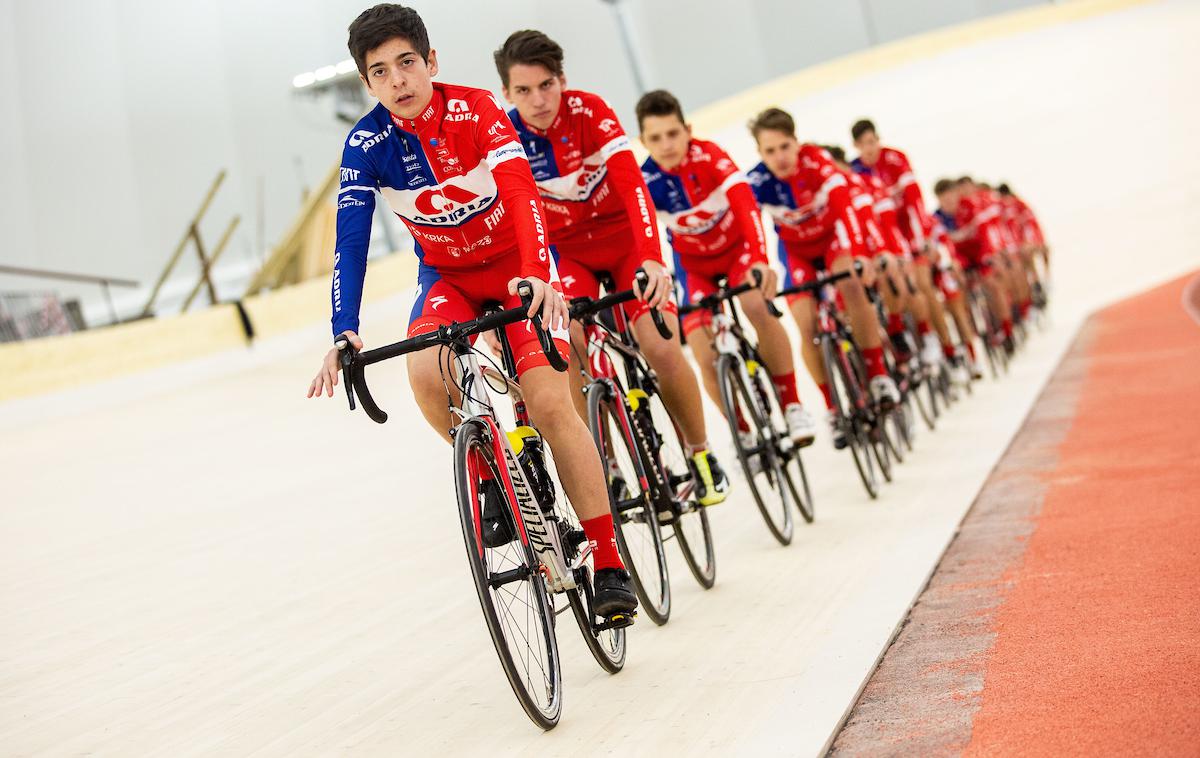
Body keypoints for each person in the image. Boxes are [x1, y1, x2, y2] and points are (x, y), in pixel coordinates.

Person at [306, 4, 635, 615]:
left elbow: (518, 192)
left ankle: (610, 561)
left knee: (548, 401)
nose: (398, 81)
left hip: (518, 268)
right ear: (366, 83)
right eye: (380, 72)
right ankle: (496, 485)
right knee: (426, 373)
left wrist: (539, 273)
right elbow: (349, 240)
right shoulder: (365, 144)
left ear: (431, 61)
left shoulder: (477, 108)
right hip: (448, 278)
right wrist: (343, 331)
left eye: (407, 63)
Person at [494, 30, 730, 506]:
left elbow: (633, 188)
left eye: (546, 86)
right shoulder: (508, 133)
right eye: (523, 91)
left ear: (562, 80)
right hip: (570, 255)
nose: (538, 100)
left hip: (625, 246)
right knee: (571, 348)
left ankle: (702, 455)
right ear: (507, 94)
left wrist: (652, 260)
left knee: (659, 345)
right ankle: (609, 468)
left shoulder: (592, 111)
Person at [636, 89, 818, 448]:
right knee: (704, 352)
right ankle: (744, 433)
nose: (667, 145)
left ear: (688, 130)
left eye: (673, 134)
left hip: (738, 254)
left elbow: (747, 206)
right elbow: (642, 236)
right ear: (643, 141)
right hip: (694, 268)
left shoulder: (711, 157)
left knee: (755, 306)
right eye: (655, 138)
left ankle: (793, 404)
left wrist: (760, 260)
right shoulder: (647, 179)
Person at [746, 108, 900, 448]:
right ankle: (832, 407)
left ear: (797, 143)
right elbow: (749, 222)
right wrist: (759, 263)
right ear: (759, 154)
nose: (780, 157)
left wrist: (859, 253)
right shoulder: (757, 180)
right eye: (770, 151)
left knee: (849, 284)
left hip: (834, 240)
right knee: (806, 326)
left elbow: (846, 208)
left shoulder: (819, 163)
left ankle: (876, 375)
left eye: (785, 147)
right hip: (797, 252)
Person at [850, 119, 962, 377]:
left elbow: (914, 201)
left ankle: (946, 348)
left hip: (908, 230)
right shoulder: (855, 171)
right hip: (884, 233)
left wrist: (921, 239)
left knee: (922, 285)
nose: (869, 149)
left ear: (878, 139)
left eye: (872, 142)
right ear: (856, 146)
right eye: (863, 144)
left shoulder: (896, 159)